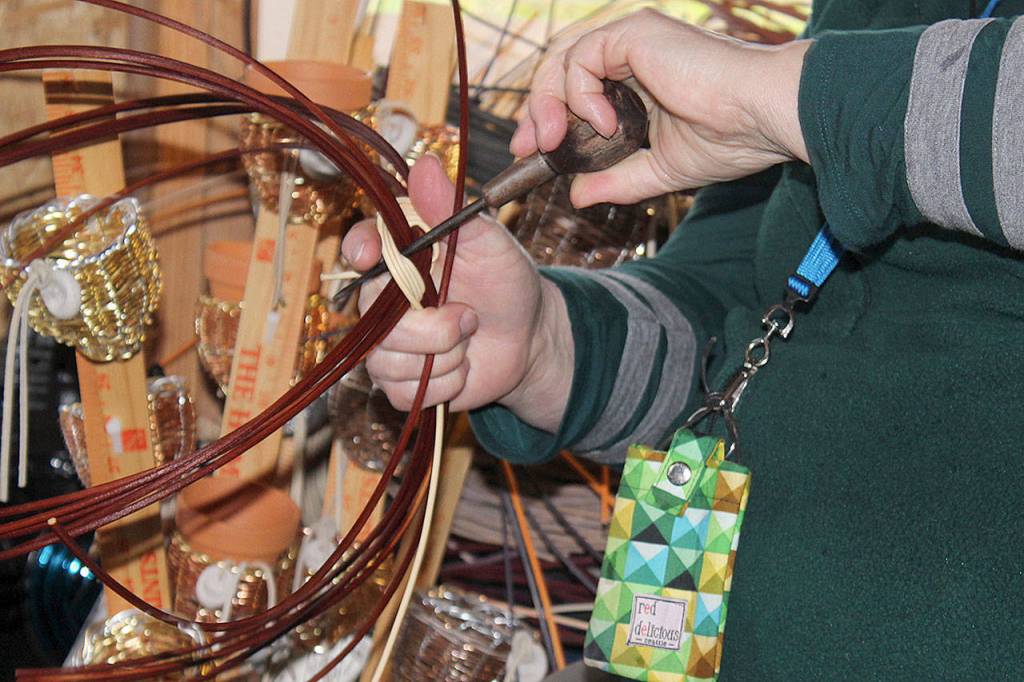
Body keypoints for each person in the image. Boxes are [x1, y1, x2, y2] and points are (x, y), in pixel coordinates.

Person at [342, 1, 1024, 677]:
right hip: (691, 647)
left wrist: (785, 91)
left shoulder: (797, 83)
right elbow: (752, 309)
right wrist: (551, 348)